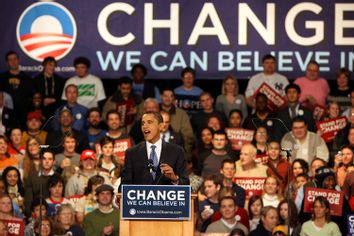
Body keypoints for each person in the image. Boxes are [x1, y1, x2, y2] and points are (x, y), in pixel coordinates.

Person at [122, 111, 189, 185]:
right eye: (143, 123)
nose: (145, 126)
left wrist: (175, 179)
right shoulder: (132, 153)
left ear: (160, 126)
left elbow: (186, 184)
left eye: (149, 122)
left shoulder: (177, 151)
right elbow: (124, 186)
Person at [0, 51, 33, 127]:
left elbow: (31, 97)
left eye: (15, 59)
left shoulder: (27, 78)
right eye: (10, 60)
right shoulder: (2, 78)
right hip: (6, 114)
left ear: (18, 60)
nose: (13, 62)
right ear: (7, 62)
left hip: (23, 114)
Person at [160, 88, 194, 153]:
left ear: (174, 98)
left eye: (171, 96)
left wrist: (184, 153)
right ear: (161, 96)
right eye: (165, 96)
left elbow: (188, 136)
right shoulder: (155, 112)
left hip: (177, 150)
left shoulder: (182, 114)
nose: (168, 98)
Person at [24, 149, 56, 217]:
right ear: (40, 161)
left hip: (54, 214)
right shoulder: (31, 177)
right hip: (35, 215)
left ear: (54, 162)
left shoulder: (58, 178)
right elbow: (28, 201)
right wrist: (31, 216)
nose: (47, 161)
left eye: (50, 159)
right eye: (44, 159)